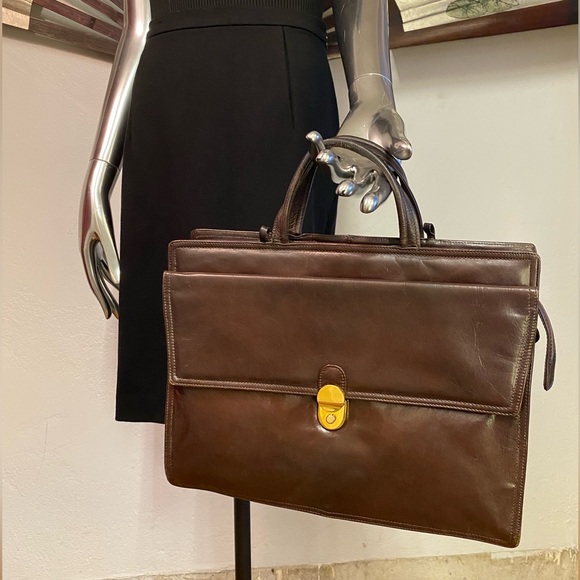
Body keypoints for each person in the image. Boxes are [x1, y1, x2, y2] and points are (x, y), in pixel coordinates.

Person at [79, 0, 412, 423]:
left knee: (280, 356)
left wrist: (373, 91)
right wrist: (99, 175)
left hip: (280, 85)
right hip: (164, 102)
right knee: (183, 366)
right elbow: (139, 26)